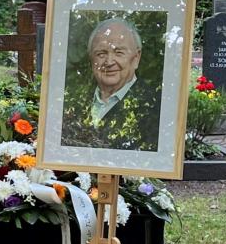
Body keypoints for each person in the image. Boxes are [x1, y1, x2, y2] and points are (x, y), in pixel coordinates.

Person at [60, 18, 162, 152]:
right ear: (91, 58)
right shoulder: (70, 101)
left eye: (119, 53)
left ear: (136, 58)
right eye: (101, 53)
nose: (109, 62)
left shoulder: (155, 108)